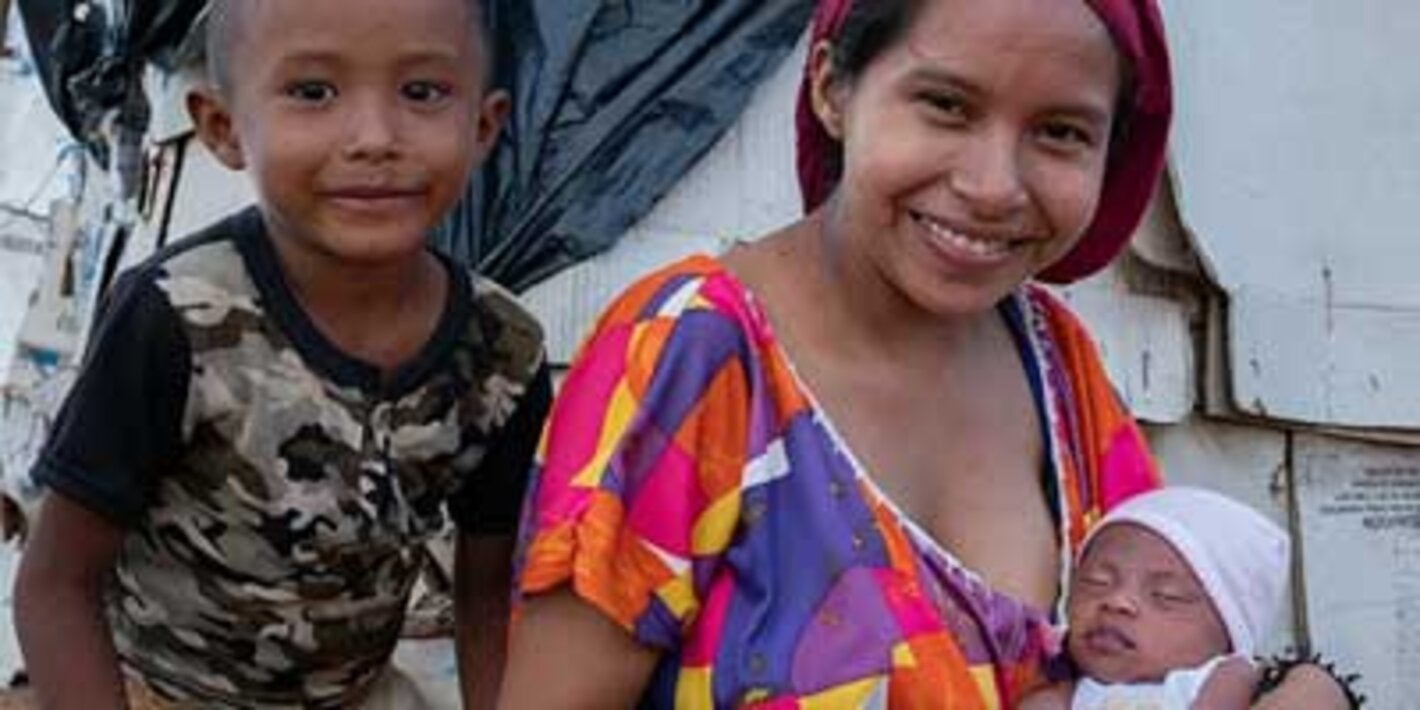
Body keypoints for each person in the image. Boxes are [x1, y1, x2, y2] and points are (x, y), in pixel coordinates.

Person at [498, 0, 1353, 706]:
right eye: (946, 105)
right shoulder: (690, 355)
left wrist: (1306, 685)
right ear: (834, 87)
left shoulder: (1057, 365)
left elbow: (1162, 668)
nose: (992, 186)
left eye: (1059, 132)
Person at [12, 0, 549, 707]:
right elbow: (55, 586)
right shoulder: (178, 317)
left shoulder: (501, 352)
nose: (374, 137)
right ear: (222, 128)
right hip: (148, 691)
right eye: (312, 92)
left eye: (422, 93)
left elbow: (487, 596)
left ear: (485, 125)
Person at [1018, 487, 1288, 709]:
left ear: (1230, 636)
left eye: (1165, 596)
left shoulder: (1225, 679)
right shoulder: (1064, 691)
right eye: (1097, 581)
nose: (1117, 601)